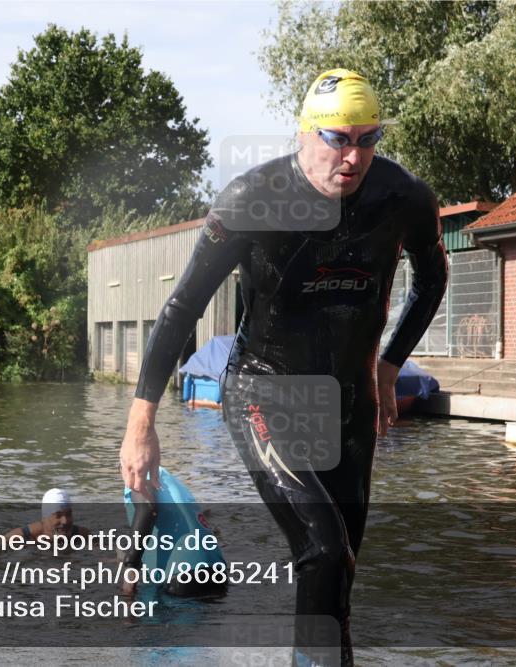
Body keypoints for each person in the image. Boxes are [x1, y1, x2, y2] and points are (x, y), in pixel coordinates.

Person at [119, 69, 448, 666]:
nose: (353, 157)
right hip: (264, 390)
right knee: (322, 549)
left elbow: (432, 281)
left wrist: (388, 366)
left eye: (368, 140)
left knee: (340, 570)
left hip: (350, 401)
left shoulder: (403, 198)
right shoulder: (251, 200)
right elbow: (180, 307)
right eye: (338, 139)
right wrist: (141, 423)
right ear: (303, 135)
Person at [119, 466, 226, 597]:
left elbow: (147, 509)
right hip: (217, 570)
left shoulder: (137, 475)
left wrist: (130, 568)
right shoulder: (169, 482)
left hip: (183, 576)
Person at [5, 488, 91, 541]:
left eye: (68, 514)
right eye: (58, 516)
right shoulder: (20, 536)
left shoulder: (82, 535)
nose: (65, 521)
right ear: (44, 517)